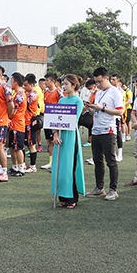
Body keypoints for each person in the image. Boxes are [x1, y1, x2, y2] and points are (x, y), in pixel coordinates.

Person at [84, 67, 124, 201]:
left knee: (111, 161)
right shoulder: (99, 93)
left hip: (108, 130)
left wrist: (102, 108)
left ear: (107, 78)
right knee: (97, 160)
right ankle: (99, 187)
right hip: (96, 130)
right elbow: (97, 112)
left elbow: (120, 112)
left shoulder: (116, 92)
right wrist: (91, 108)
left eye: (100, 81)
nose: (98, 85)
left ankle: (113, 190)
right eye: (96, 82)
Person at [51, 74, 86, 208]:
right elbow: (55, 120)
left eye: (66, 84)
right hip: (60, 137)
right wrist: (55, 134)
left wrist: (60, 131)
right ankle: (62, 197)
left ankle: (72, 198)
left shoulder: (78, 101)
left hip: (71, 136)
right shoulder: (61, 101)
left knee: (69, 167)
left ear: (74, 85)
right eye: (63, 84)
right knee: (59, 167)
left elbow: (72, 121)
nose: (63, 86)